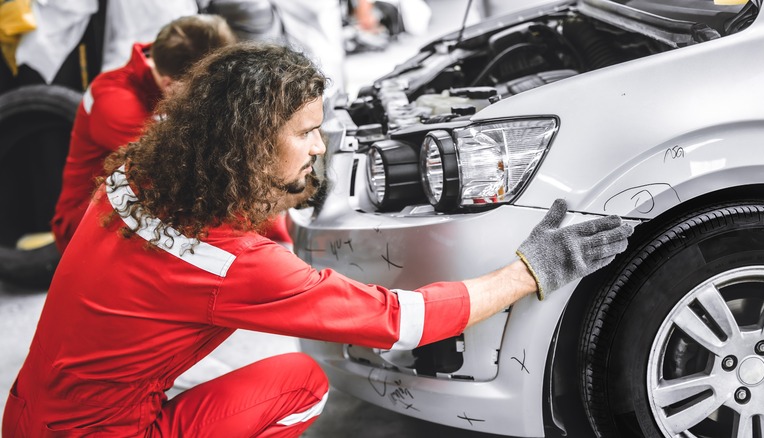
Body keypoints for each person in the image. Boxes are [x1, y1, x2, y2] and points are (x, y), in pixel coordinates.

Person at [2, 42, 633, 437]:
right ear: (248, 145)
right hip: (98, 432)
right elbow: (400, 320)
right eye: (306, 132)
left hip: (28, 409)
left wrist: (291, 194)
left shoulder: (136, 178)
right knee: (298, 384)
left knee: (210, 370)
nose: (320, 145)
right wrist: (531, 269)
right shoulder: (235, 268)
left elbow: (242, 223)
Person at [50, 14, 237, 255]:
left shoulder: (170, 65)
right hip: (88, 224)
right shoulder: (115, 102)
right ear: (170, 85)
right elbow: (178, 177)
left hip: (140, 210)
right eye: (206, 89)